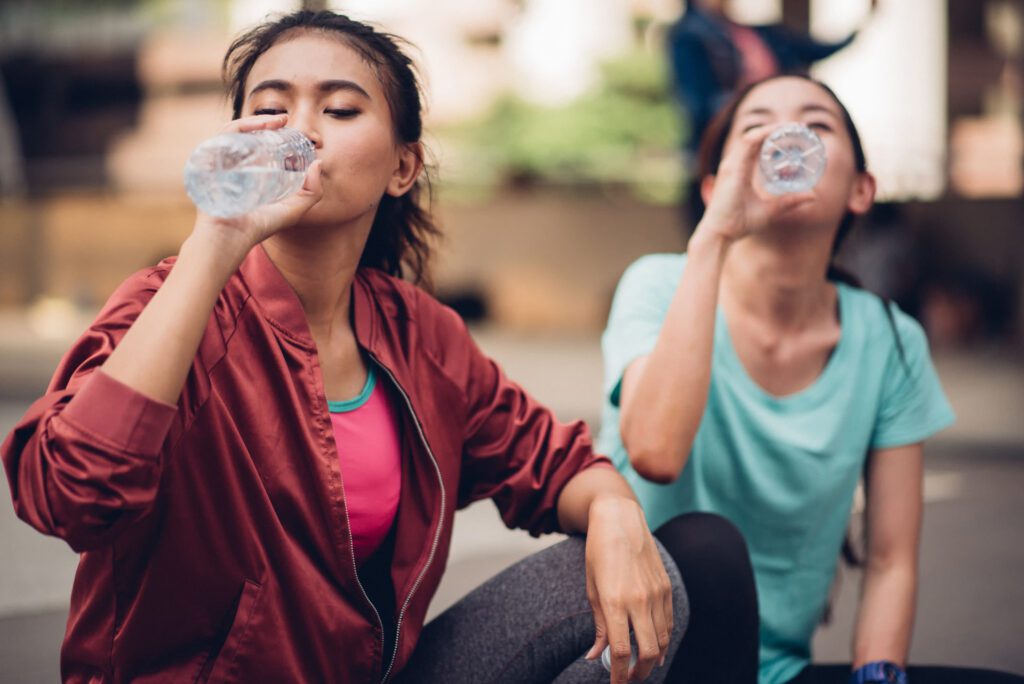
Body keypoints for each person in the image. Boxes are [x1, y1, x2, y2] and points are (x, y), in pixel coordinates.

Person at [1, 11, 691, 683]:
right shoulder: (170, 303)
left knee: (655, 574)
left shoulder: (421, 335)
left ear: (402, 166)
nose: (299, 131)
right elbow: (71, 496)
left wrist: (614, 509)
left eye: (339, 110)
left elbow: (551, 462)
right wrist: (213, 244)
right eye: (271, 107)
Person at [599, 74, 1024, 683]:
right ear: (717, 185)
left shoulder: (890, 340)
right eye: (756, 128)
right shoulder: (659, 284)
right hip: (642, 666)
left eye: (815, 125)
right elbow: (656, 452)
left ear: (860, 189)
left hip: (772, 672)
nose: (785, 138)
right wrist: (713, 237)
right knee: (704, 544)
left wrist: (878, 674)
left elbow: (889, 560)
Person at [667, 0, 876, 230]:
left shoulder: (757, 33)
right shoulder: (689, 35)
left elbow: (813, 50)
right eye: (756, 123)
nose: (787, 128)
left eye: (817, 125)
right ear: (712, 189)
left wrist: (864, 22)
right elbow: (697, 102)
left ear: (861, 188)